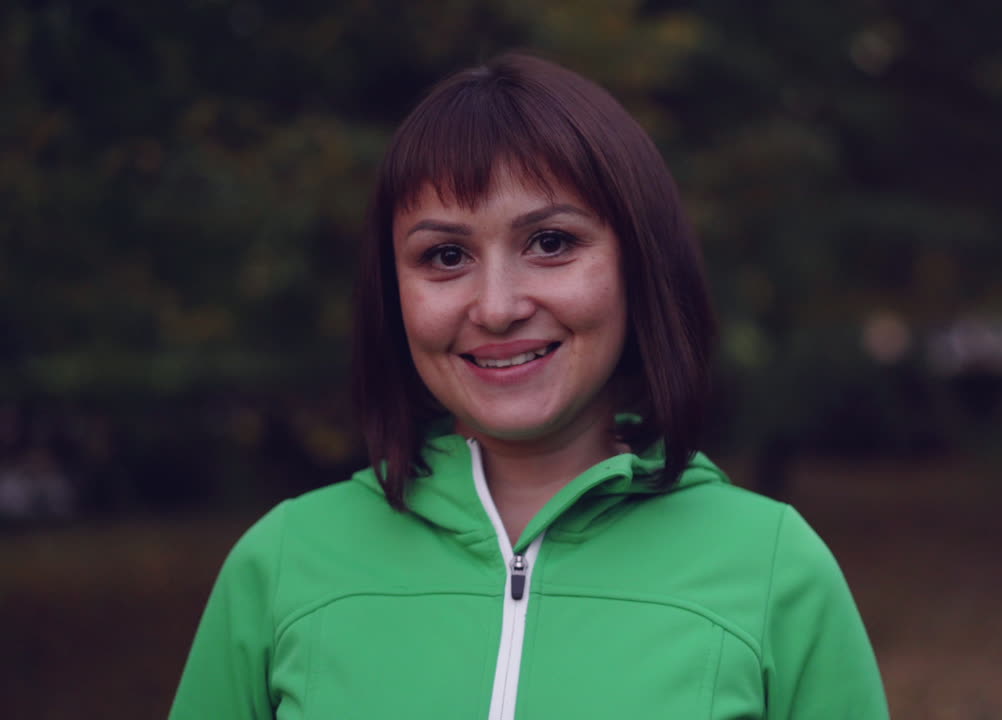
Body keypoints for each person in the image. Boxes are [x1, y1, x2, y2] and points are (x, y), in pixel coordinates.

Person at [170, 52, 889, 719]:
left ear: (638, 262)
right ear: (392, 294)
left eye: (551, 243)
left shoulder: (774, 571)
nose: (497, 305)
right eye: (445, 255)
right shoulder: (283, 564)